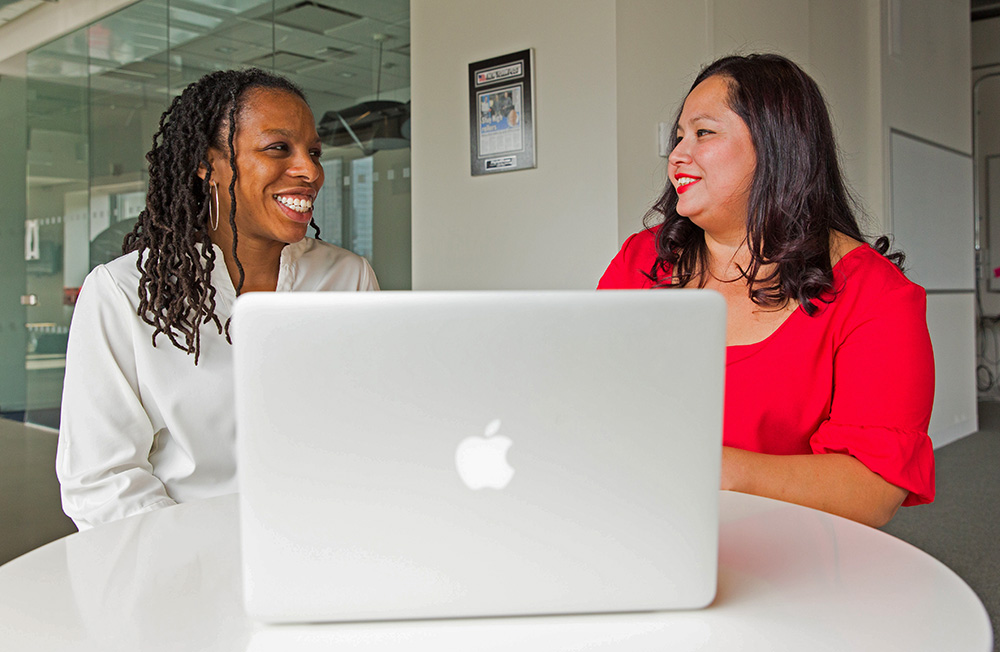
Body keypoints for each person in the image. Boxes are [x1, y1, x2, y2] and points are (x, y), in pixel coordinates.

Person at [598, 53, 934, 528]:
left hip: (790, 549)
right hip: (631, 524)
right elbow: (590, 397)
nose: (676, 155)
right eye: (677, 137)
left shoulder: (876, 295)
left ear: (778, 146)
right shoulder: (640, 259)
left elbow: (871, 489)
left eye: (704, 132)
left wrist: (714, 472)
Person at [56, 68, 379, 530]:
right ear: (208, 164)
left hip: (326, 543)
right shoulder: (123, 291)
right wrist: (203, 557)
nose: (310, 170)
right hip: (180, 562)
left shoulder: (347, 277)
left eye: (313, 152)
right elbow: (102, 479)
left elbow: (372, 432)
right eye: (277, 148)